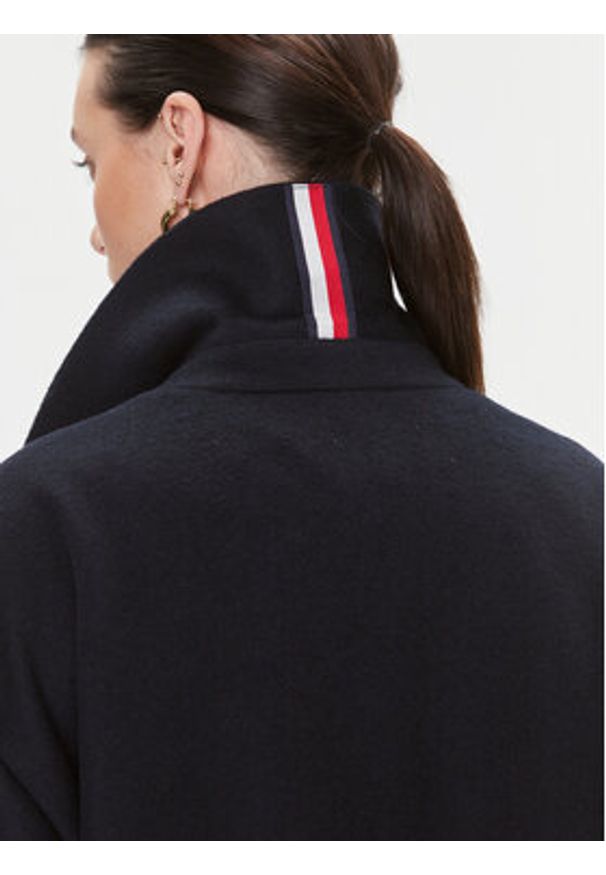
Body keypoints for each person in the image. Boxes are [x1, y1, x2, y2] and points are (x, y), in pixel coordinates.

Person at [0, 35, 602, 841]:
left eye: (91, 162)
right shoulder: (579, 506)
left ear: (179, 140)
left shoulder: (46, 525)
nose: (96, 234)